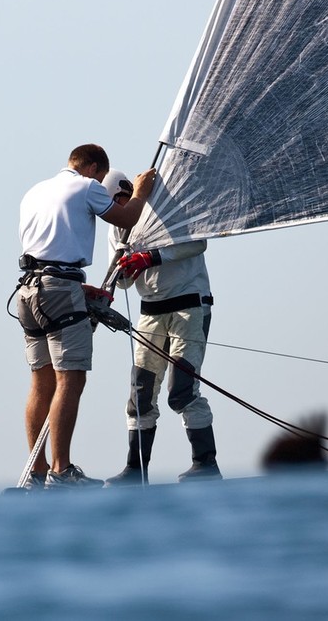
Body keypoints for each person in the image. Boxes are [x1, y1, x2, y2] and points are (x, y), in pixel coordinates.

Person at [16, 144, 155, 489]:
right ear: (93, 168)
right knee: (71, 380)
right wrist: (140, 192)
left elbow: (48, 250)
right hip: (60, 289)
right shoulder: (86, 185)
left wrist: (79, 289)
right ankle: (61, 472)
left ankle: (37, 472)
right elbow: (127, 218)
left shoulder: (34, 191)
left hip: (28, 291)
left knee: (41, 382)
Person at [100, 169, 221, 485]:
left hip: (189, 305)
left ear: (127, 192)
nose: (117, 213)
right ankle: (135, 470)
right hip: (151, 311)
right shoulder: (116, 229)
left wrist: (150, 258)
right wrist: (124, 273)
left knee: (181, 390)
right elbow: (123, 282)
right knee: (140, 395)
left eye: (119, 202)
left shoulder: (164, 207)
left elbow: (197, 242)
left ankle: (205, 464)